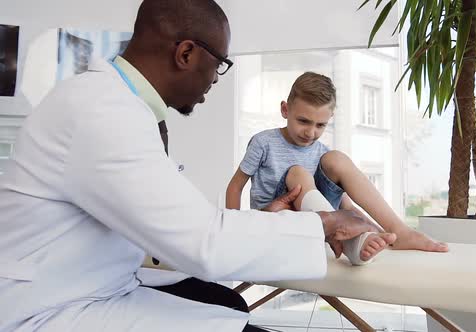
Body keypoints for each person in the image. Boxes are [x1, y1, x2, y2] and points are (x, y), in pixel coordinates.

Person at [0, 1, 383, 331]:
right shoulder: (103, 112)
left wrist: (275, 220)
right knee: (229, 313)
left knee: (225, 304)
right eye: (219, 64)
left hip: (89, 282)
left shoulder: (117, 105)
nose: (215, 79)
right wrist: (322, 223)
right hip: (48, 308)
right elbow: (204, 242)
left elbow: (188, 223)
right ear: (186, 54)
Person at [226, 72, 448, 264]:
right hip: (276, 218)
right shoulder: (263, 142)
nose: (310, 132)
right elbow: (235, 187)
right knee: (298, 173)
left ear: (329, 119)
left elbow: (346, 204)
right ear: (285, 110)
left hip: (320, 218)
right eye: (303, 121)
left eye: (320, 125)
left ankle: (395, 232)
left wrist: (374, 230)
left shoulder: (321, 150)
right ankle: (348, 239)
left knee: (336, 159)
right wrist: (236, 235)